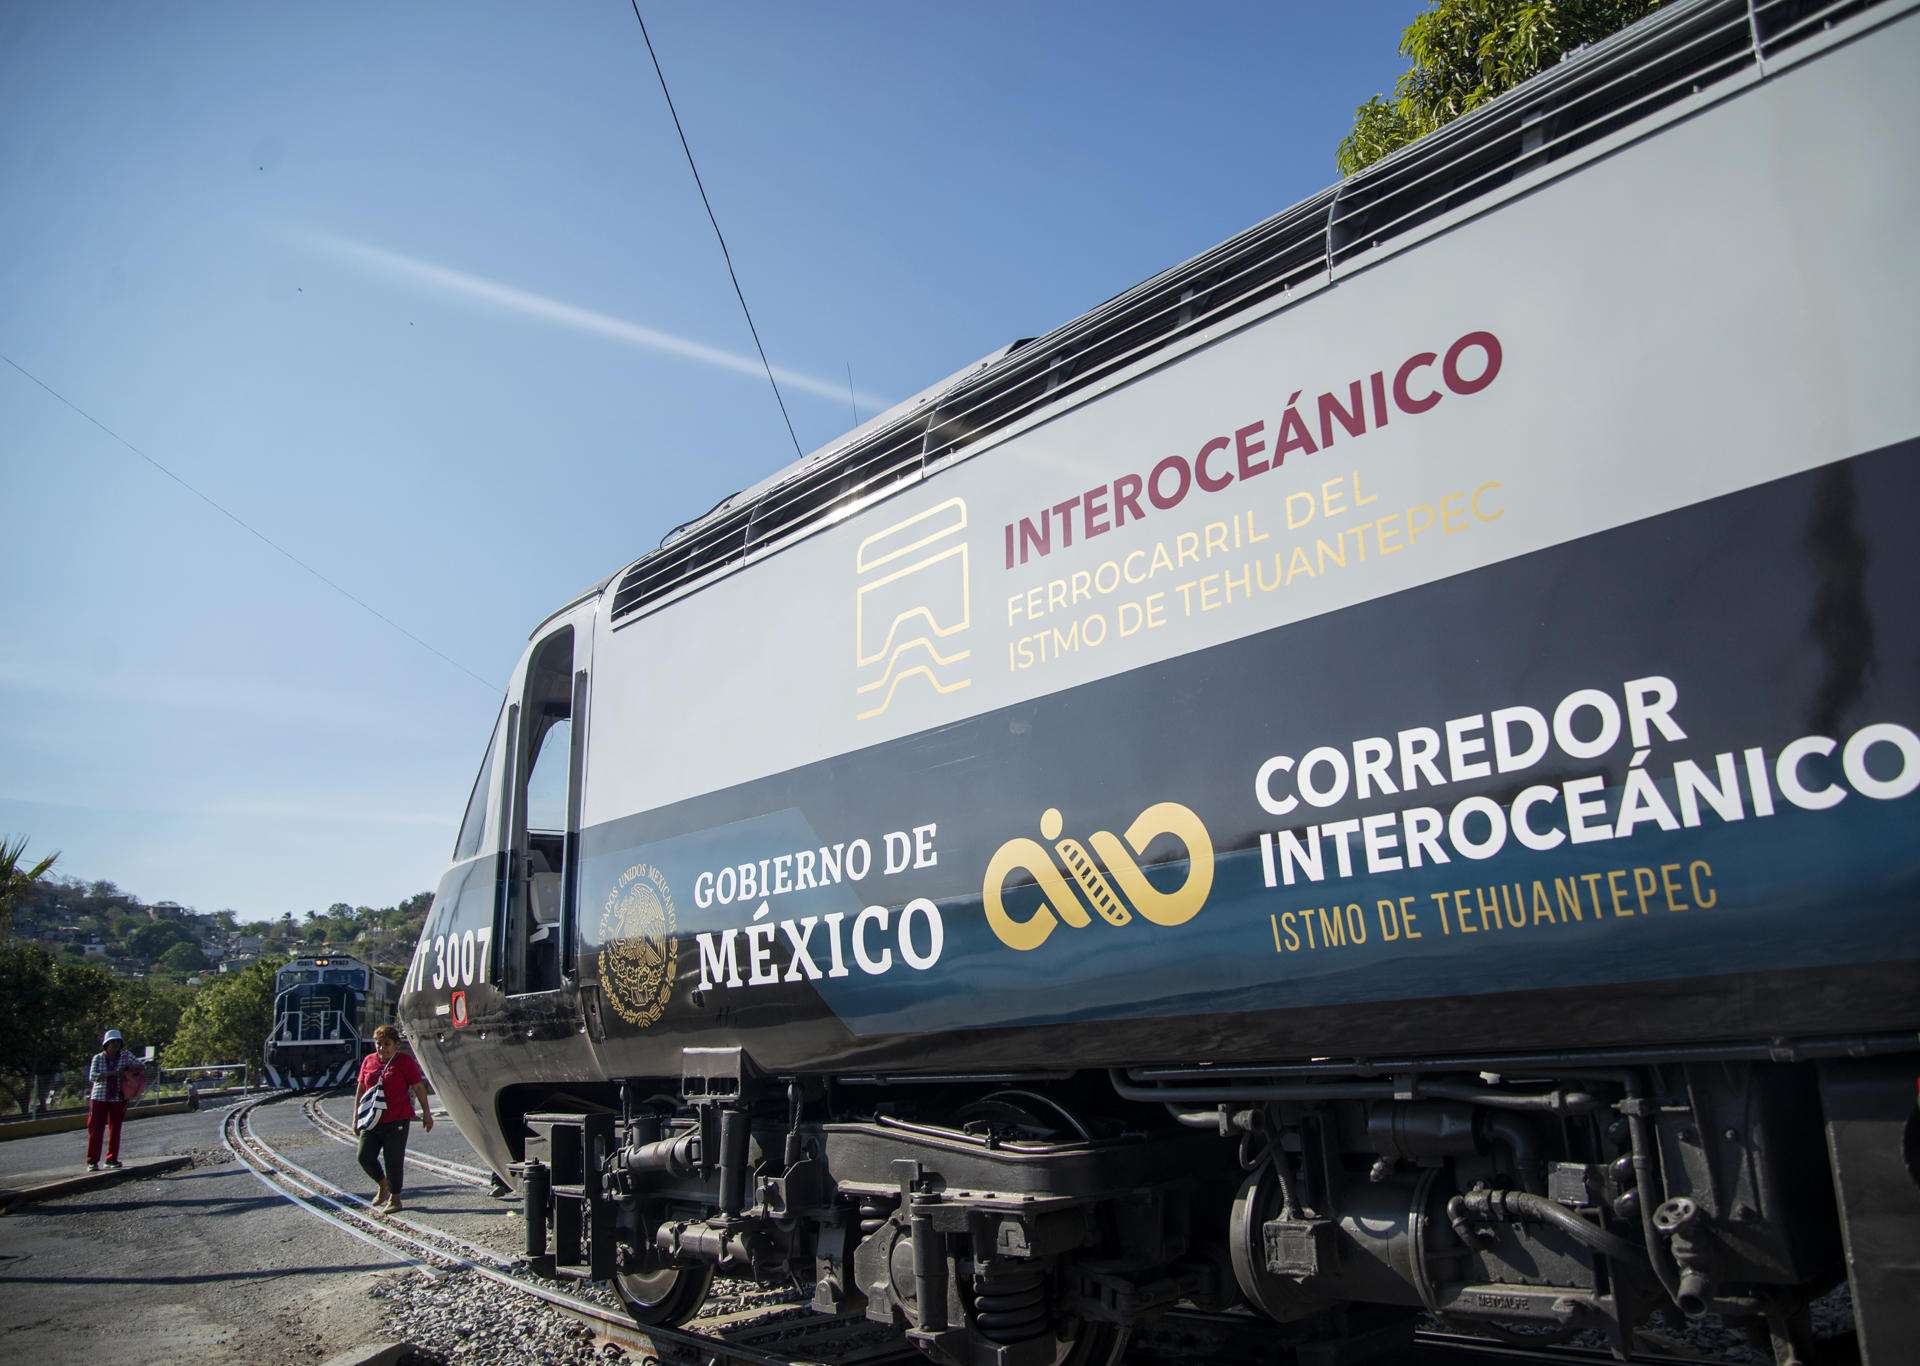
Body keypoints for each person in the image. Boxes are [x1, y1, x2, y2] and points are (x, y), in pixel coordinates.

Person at [354, 1024, 431, 1214]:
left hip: (397, 1120)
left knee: (393, 1160)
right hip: (372, 1119)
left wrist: (426, 1113)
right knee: (364, 1156)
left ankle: (395, 1198)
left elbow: (419, 1087)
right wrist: (356, 1116)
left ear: (396, 1044)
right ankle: (383, 1184)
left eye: (386, 1044)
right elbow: (361, 1089)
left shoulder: (404, 1062)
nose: (382, 1048)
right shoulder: (368, 1061)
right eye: (378, 1044)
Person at [85, 1029, 144, 1170]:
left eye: (118, 1042)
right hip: (100, 1097)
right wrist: (113, 1073)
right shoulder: (98, 1058)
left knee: (115, 1129)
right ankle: (92, 1161)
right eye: (113, 1042)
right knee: (96, 1129)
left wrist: (129, 1068)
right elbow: (93, 1076)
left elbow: (141, 1066)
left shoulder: (126, 1056)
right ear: (106, 1044)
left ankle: (111, 1159)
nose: (116, 1045)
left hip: (118, 1097)